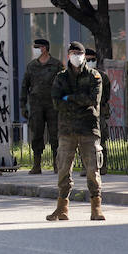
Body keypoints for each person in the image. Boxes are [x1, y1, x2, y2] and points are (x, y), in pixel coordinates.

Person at [47, 41, 106, 221]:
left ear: (84, 55)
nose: (76, 56)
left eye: (79, 53)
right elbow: (57, 102)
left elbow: (93, 100)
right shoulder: (61, 78)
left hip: (88, 129)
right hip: (67, 130)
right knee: (63, 169)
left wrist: (70, 98)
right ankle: (62, 208)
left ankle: (96, 207)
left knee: (92, 170)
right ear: (68, 55)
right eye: (73, 53)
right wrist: (78, 101)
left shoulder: (94, 76)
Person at [21, 38, 64, 174]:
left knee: (55, 134)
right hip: (36, 105)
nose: (34, 49)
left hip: (53, 105)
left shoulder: (57, 65)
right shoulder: (31, 66)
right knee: (36, 134)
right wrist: (23, 106)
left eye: (37, 47)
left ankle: (57, 164)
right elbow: (24, 86)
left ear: (44, 48)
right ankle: (37, 164)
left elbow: (64, 85)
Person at [84, 48, 112, 176]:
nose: (90, 62)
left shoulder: (102, 76)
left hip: (98, 112)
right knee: (84, 140)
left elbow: (106, 96)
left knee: (101, 139)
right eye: (88, 60)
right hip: (83, 112)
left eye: (92, 60)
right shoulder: (79, 76)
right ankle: (86, 167)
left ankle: (103, 165)